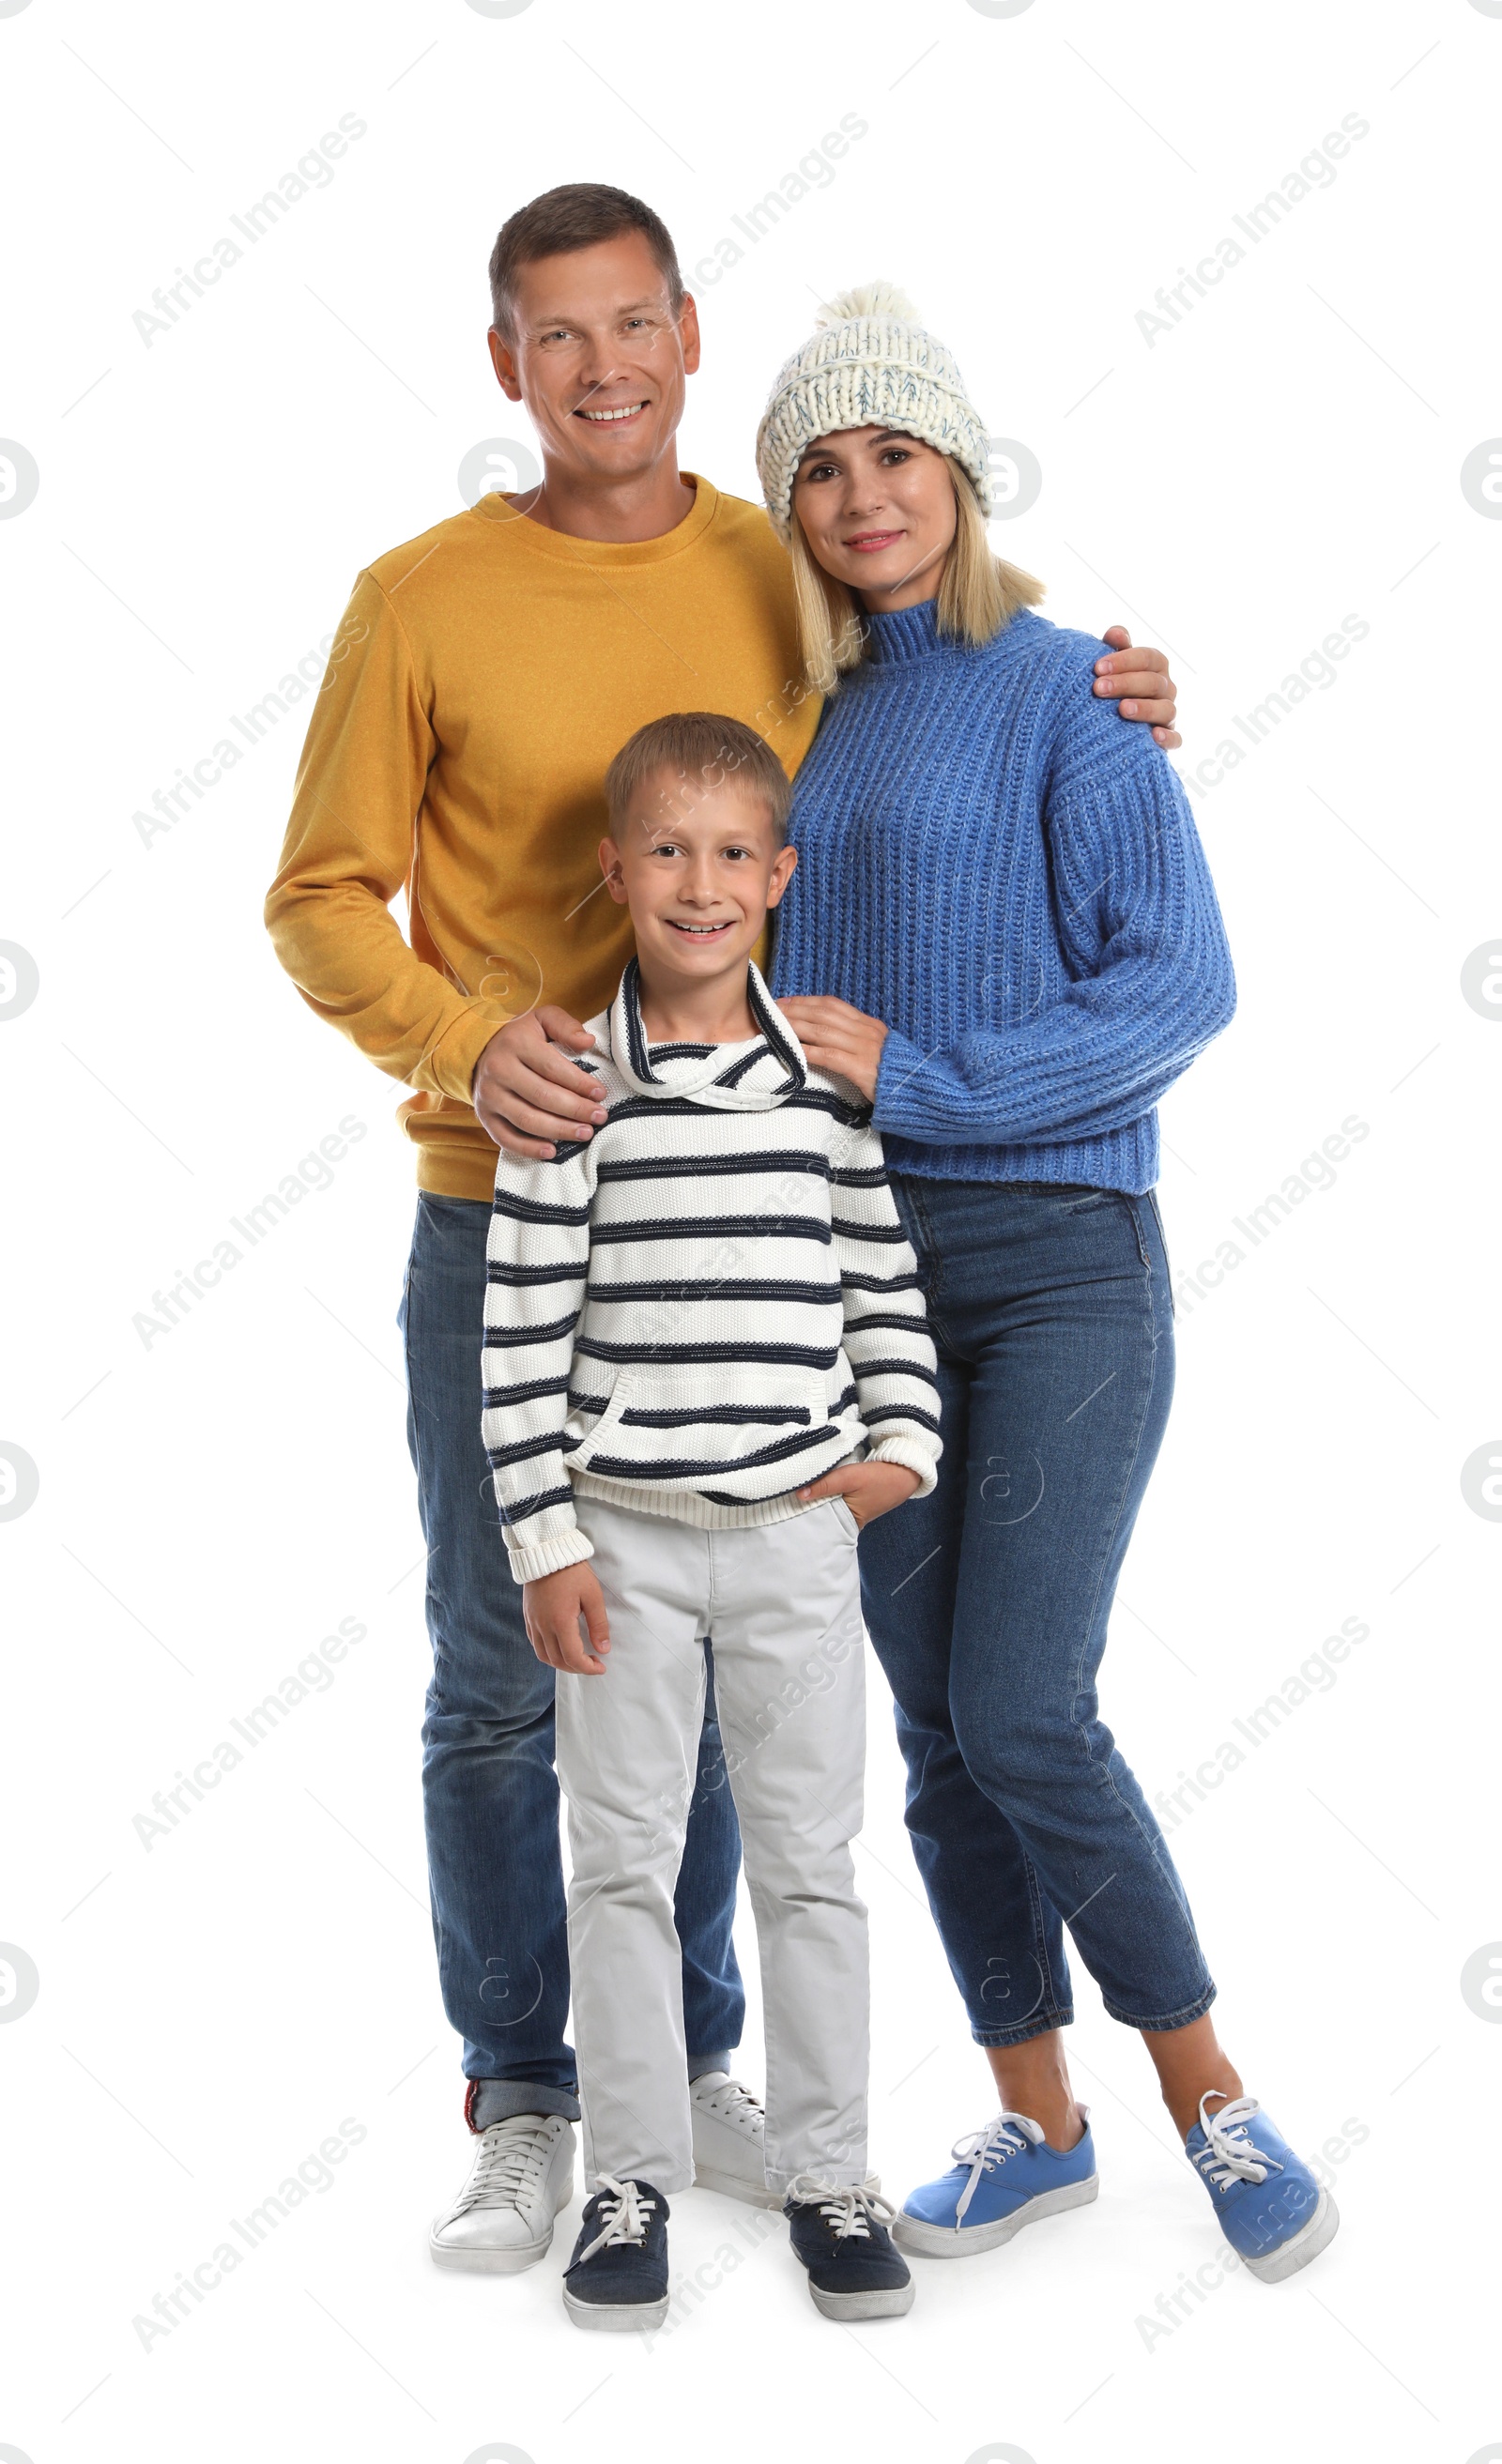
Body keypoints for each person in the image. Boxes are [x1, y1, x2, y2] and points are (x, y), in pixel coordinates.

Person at [265, 178, 1181, 2273]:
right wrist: (463, 1031)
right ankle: (523, 2096)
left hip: (760, 1196)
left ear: (687, 333)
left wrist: (1102, 691)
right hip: (502, 1200)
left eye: (632, 326)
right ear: (507, 366)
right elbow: (317, 892)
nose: (599, 369)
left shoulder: (777, 570)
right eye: (552, 337)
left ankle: (674, 2076)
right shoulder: (415, 595)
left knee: (696, 1682)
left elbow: (941, 663)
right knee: (515, 1660)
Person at [761, 285, 1338, 2286]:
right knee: (932, 1728)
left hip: (1060, 1258)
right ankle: (1034, 2121)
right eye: (817, 468)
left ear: (958, 469)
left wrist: (917, 1075)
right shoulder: (789, 711)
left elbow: (1178, 985)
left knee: (1024, 1705)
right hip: (852, 1280)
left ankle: (1210, 2096)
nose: (859, 494)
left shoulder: (1068, 683)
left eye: (890, 452)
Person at [483, 709, 941, 2327]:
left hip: (800, 1535)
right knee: (621, 1859)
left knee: (812, 1861)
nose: (700, 881)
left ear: (780, 873)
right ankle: (630, 2176)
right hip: (623, 1538)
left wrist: (904, 1443)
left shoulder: (825, 1079)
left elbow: (883, 1276)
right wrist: (543, 1535)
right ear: (614, 869)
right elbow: (524, 1327)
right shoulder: (567, 1083)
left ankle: (829, 2171)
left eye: (734, 850)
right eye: (667, 849)